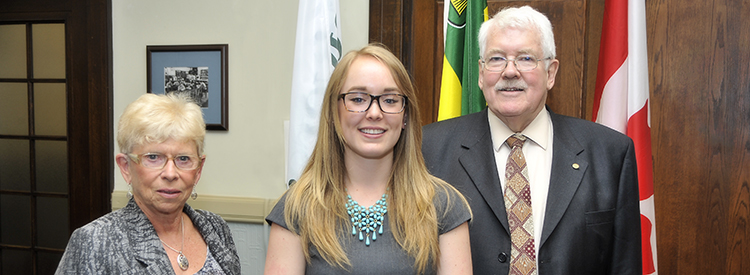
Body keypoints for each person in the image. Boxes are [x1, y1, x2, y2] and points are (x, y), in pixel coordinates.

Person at [422, 6, 642, 275]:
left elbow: (624, 266)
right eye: (496, 59)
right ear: (480, 74)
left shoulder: (610, 153)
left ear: (551, 72)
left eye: (526, 58)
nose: (510, 71)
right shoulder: (428, 149)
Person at [264, 44, 473, 275]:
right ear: (334, 113)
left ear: (405, 116)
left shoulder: (444, 205)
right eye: (358, 99)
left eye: (390, 100)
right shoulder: (297, 207)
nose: (374, 113)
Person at [55, 93, 240, 274]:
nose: (170, 173)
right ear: (126, 166)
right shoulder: (94, 242)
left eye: (183, 158)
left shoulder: (215, 228)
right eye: (153, 157)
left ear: (198, 169)